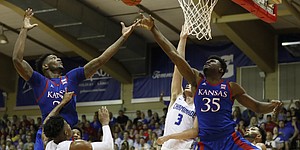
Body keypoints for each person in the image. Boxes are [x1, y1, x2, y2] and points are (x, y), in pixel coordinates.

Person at [138, 14, 283, 150]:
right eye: (207, 61)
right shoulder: (196, 80)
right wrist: (153, 29)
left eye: (212, 61)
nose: (207, 63)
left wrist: (272, 106)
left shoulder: (231, 87)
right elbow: (174, 56)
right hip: (206, 143)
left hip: (229, 139)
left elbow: (257, 106)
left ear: (221, 70)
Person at [12, 8, 140, 150]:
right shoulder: (39, 81)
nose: (58, 58)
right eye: (53, 58)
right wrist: (24, 29)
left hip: (69, 134)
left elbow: (100, 60)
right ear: (45, 66)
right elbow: (17, 60)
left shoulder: (71, 77)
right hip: (48, 135)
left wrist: (123, 38)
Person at [158, 24, 196, 150]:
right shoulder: (177, 97)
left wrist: (169, 137)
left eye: (191, 83)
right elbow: (178, 66)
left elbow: (194, 132)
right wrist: (183, 40)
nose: (188, 83)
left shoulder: (199, 106)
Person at [43, 91, 113, 150]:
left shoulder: (49, 145)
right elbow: (109, 147)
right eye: (67, 125)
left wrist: (63, 102)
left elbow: (46, 123)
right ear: (66, 132)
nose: (70, 126)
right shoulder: (75, 145)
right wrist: (105, 123)